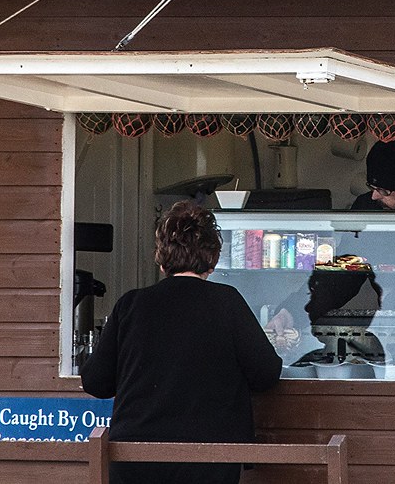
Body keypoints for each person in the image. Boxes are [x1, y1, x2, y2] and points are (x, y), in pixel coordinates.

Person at [80, 200, 282, 484]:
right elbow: (266, 373)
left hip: (135, 455)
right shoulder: (227, 302)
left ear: (161, 260)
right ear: (212, 258)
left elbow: (95, 381)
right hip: (208, 456)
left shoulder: (131, 305)